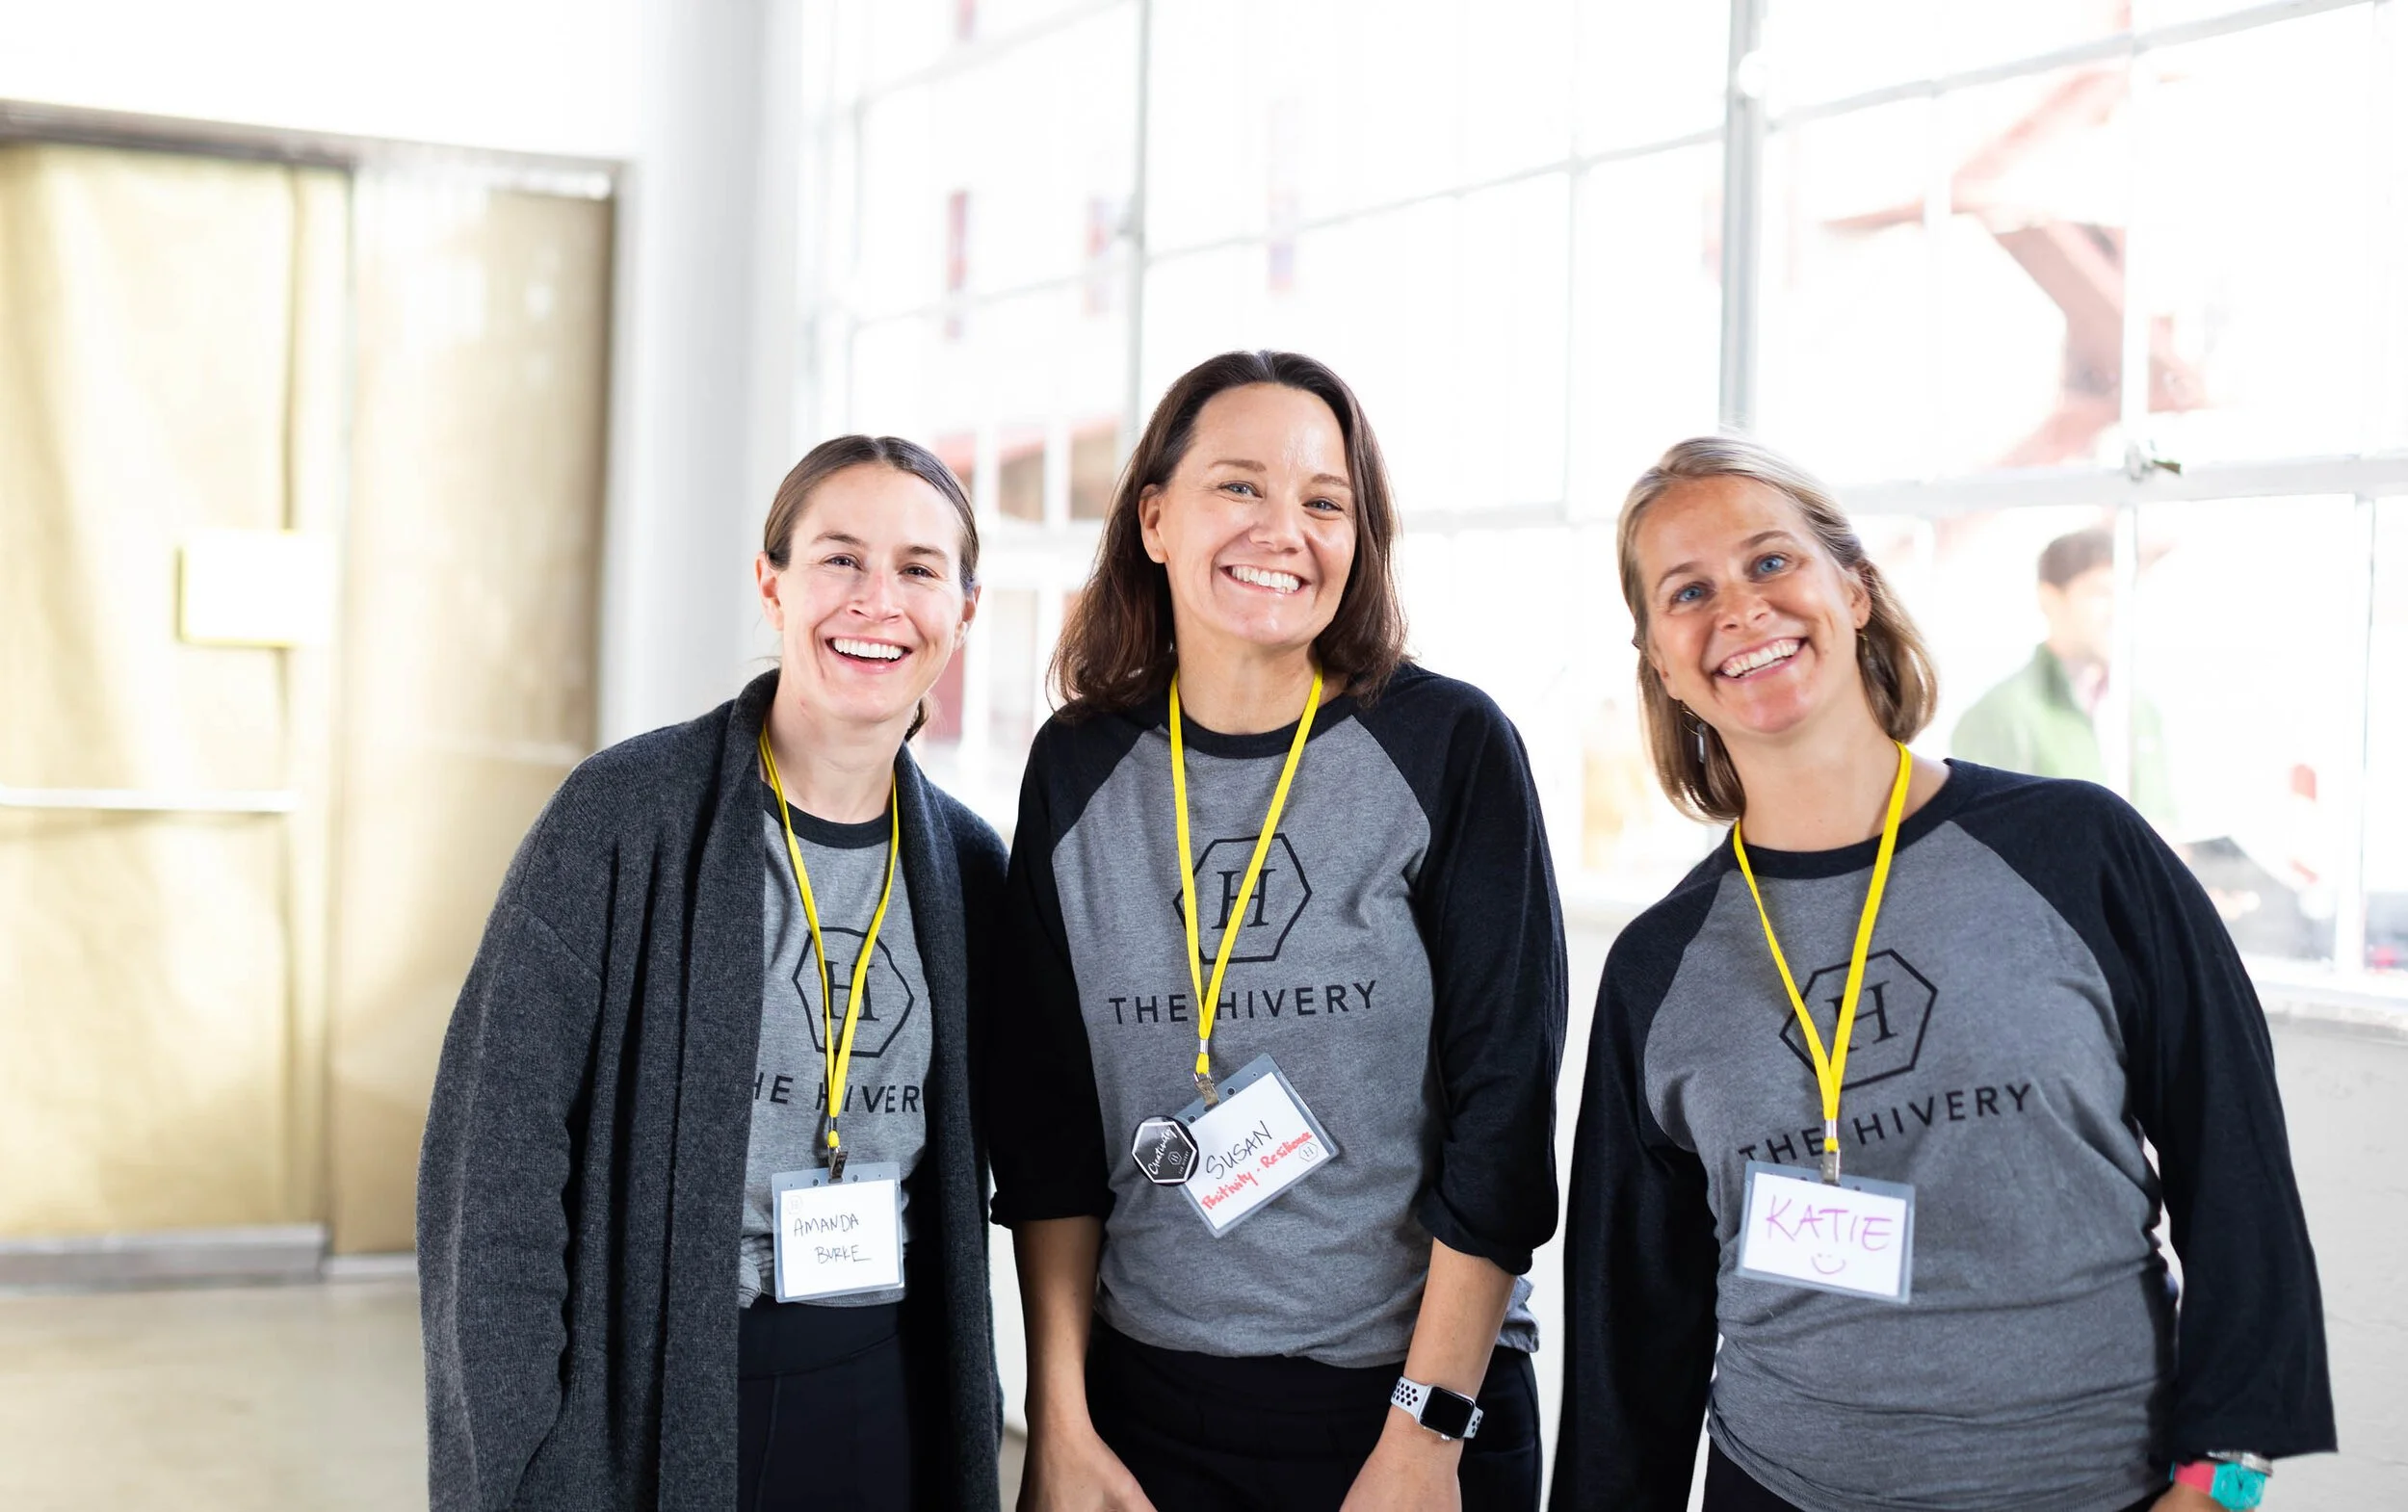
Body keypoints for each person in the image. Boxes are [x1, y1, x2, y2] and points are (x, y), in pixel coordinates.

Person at [1553, 437, 2334, 1512]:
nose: (1738, 609)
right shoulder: (1658, 965)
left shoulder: (2080, 851)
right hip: (1781, 1487)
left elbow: (2234, 1163)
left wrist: (2223, 1480)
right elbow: (1628, 1326)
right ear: (1662, 663)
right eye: (1688, 591)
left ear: (1856, 589)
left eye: (1771, 562)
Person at [990, 351, 1565, 1512]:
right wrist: (1060, 1413)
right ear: (1154, 517)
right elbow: (1048, 1128)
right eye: (1239, 486)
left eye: (1323, 500)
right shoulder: (1079, 767)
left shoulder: (1449, 745)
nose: (1282, 529)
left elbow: (1505, 1120)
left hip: (1411, 1407)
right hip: (1149, 1411)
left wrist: (1426, 1434)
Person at [417, 435, 1007, 1512]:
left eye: (920, 569)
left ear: (964, 609)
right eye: (839, 559)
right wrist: (521, 1462)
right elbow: (490, 1167)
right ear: (771, 581)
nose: (877, 601)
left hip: (887, 1388)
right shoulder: (623, 817)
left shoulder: (973, 868)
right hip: (659, 1395)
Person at [1950, 525, 2174, 825]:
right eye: (2101, 593)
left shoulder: (2142, 708)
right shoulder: (2002, 714)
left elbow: (2163, 824)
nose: (2120, 610)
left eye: (2128, 592)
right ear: (2049, 599)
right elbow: (1986, 847)